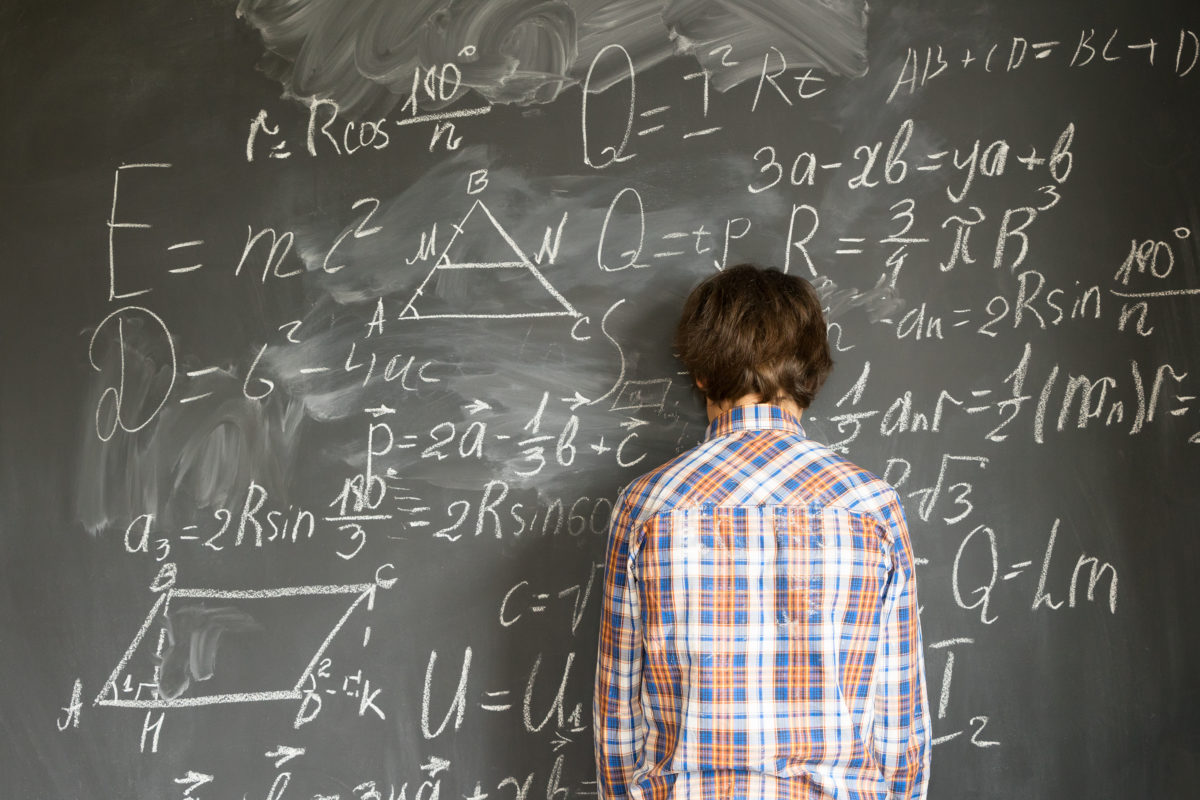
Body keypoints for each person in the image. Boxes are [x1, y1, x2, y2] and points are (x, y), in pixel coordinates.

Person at [594, 264, 931, 800]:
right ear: (812, 371)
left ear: (701, 374)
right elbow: (898, 720)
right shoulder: (872, 506)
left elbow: (619, 717)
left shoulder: (647, 507)